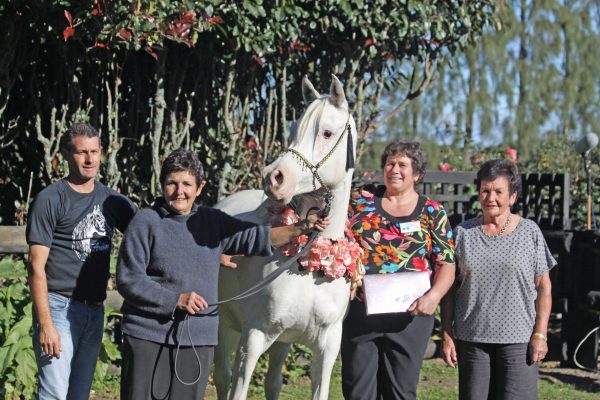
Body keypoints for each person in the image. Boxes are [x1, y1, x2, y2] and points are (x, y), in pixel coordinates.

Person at [116, 148, 329, 400]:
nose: (179, 191)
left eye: (187, 184)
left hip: (196, 339)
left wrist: (302, 227)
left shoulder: (213, 221)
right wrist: (176, 300)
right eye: (171, 183)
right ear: (162, 184)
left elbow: (259, 237)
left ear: (200, 187)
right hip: (147, 335)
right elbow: (129, 279)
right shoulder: (145, 222)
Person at [26, 123, 137, 400]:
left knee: (78, 395)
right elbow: (36, 266)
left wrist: (209, 251)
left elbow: (152, 234)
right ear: (66, 155)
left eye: (94, 152)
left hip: (94, 311)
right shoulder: (50, 199)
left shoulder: (112, 201)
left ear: (101, 152)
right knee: (54, 394)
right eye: (81, 152)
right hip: (59, 308)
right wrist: (46, 324)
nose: (89, 160)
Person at [342, 141, 456, 400]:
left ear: (416, 174)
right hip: (362, 314)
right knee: (357, 391)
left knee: (400, 393)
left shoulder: (431, 212)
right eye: (390, 163)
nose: (394, 169)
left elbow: (446, 263)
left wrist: (433, 298)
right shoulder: (360, 202)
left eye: (403, 165)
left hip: (411, 318)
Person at [441, 159, 556, 400]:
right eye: (485, 190)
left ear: (512, 196)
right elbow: (449, 288)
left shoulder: (530, 232)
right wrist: (447, 333)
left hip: (518, 340)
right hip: (472, 340)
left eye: (498, 191)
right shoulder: (462, 234)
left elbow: (544, 286)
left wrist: (540, 334)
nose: (490, 197)